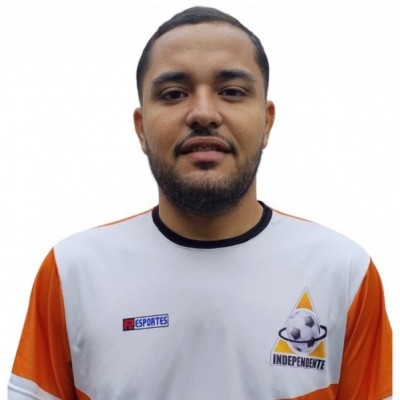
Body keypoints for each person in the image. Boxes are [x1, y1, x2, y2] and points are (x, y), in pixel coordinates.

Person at [8, 6, 392, 400]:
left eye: (232, 91)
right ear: (141, 129)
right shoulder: (73, 272)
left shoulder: (343, 272)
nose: (204, 113)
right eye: (174, 94)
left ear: (267, 121)